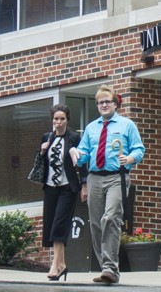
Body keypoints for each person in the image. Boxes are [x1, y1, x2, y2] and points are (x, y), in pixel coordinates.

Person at [71, 85, 145, 285]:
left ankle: (110, 268)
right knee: (96, 223)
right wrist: (75, 153)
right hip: (95, 177)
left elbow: (139, 149)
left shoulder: (127, 125)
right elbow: (84, 154)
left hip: (116, 177)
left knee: (111, 217)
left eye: (107, 102)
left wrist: (129, 158)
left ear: (115, 104)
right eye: (100, 102)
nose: (104, 105)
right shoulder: (91, 128)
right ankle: (106, 266)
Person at [40, 103, 84, 281]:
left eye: (62, 119)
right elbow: (40, 163)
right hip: (50, 187)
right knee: (51, 224)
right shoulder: (47, 137)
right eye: (56, 119)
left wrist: (84, 184)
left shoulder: (74, 138)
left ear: (67, 120)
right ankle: (63, 265)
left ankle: (54, 265)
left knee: (59, 224)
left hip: (67, 187)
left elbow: (82, 162)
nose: (58, 122)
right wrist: (42, 151)